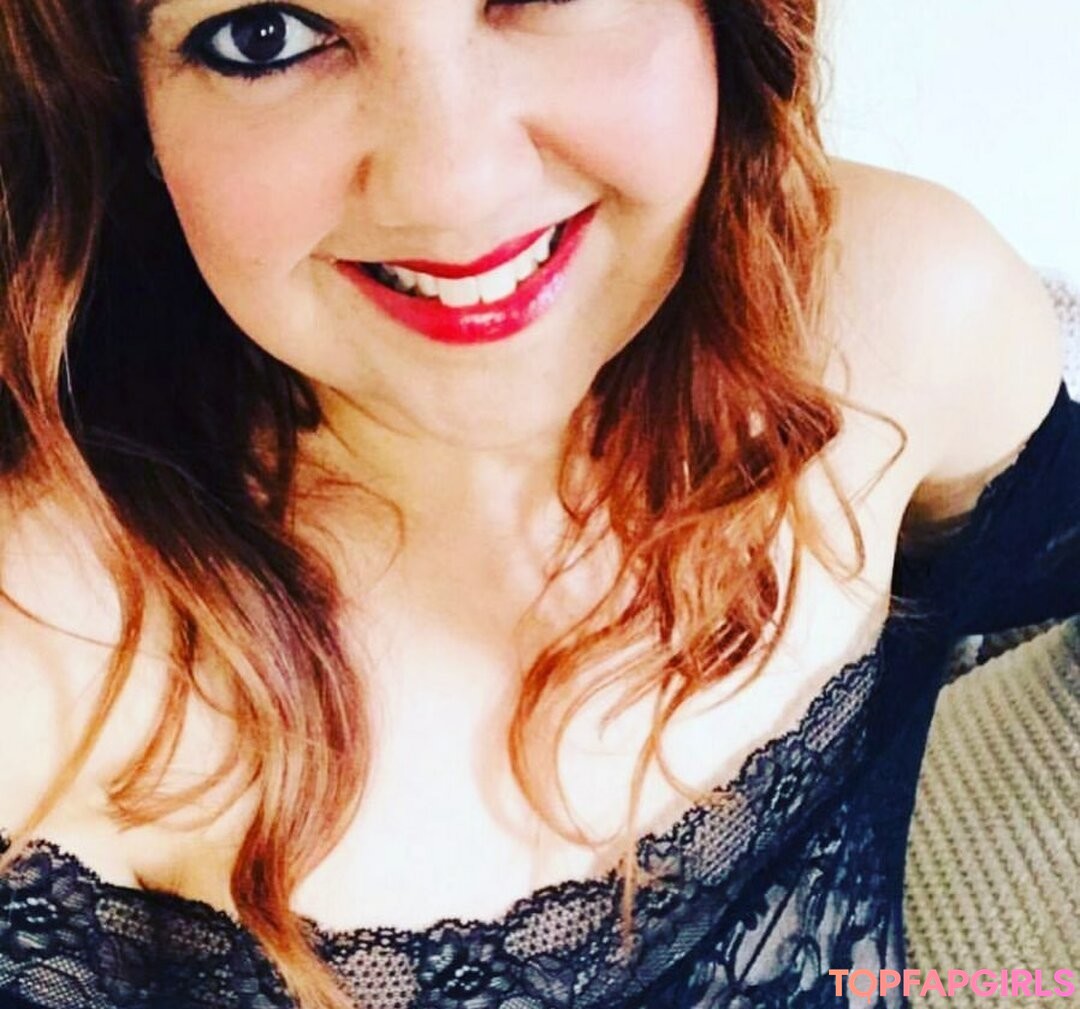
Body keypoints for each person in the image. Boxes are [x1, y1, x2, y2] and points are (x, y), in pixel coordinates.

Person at [0, 0, 1076, 1007]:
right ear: (128, 101)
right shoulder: (46, 651)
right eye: (266, 35)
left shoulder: (901, 315)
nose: (451, 188)